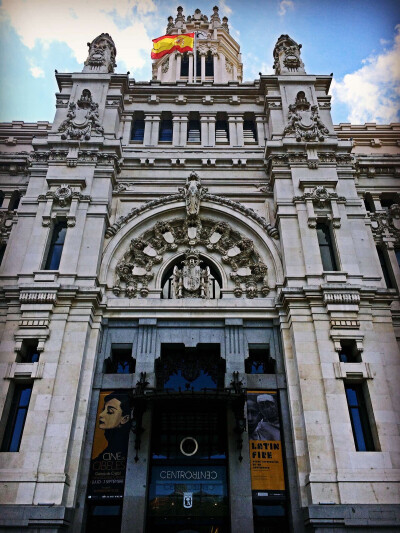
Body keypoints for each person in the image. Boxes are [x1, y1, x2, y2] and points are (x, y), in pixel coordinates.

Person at [92, 392, 131, 461]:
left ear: (124, 419)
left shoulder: (121, 448)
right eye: (103, 409)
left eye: (110, 411)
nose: (101, 414)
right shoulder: (106, 451)